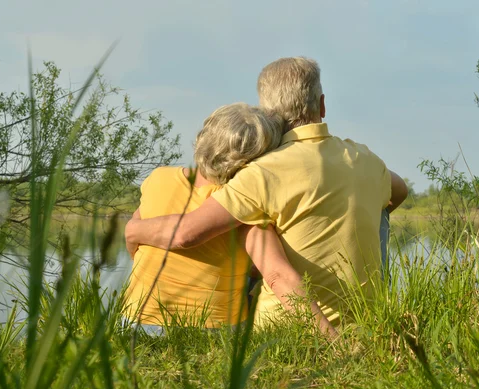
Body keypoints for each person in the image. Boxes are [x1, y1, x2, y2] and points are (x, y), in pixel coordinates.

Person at [125, 57, 408, 328]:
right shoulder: (367, 160)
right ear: (322, 105)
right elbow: (400, 191)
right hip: (365, 318)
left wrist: (134, 231)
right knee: (378, 209)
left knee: (253, 226)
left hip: (282, 323)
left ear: (268, 112)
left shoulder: (261, 172)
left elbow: (187, 233)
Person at [123, 102, 337, 338]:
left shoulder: (158, 178)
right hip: (211, 330)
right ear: (258, 160)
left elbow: (134, 242)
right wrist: (332, 340)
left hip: (134, 322)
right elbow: (277, 275)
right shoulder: (242, 206)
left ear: (203, 137)